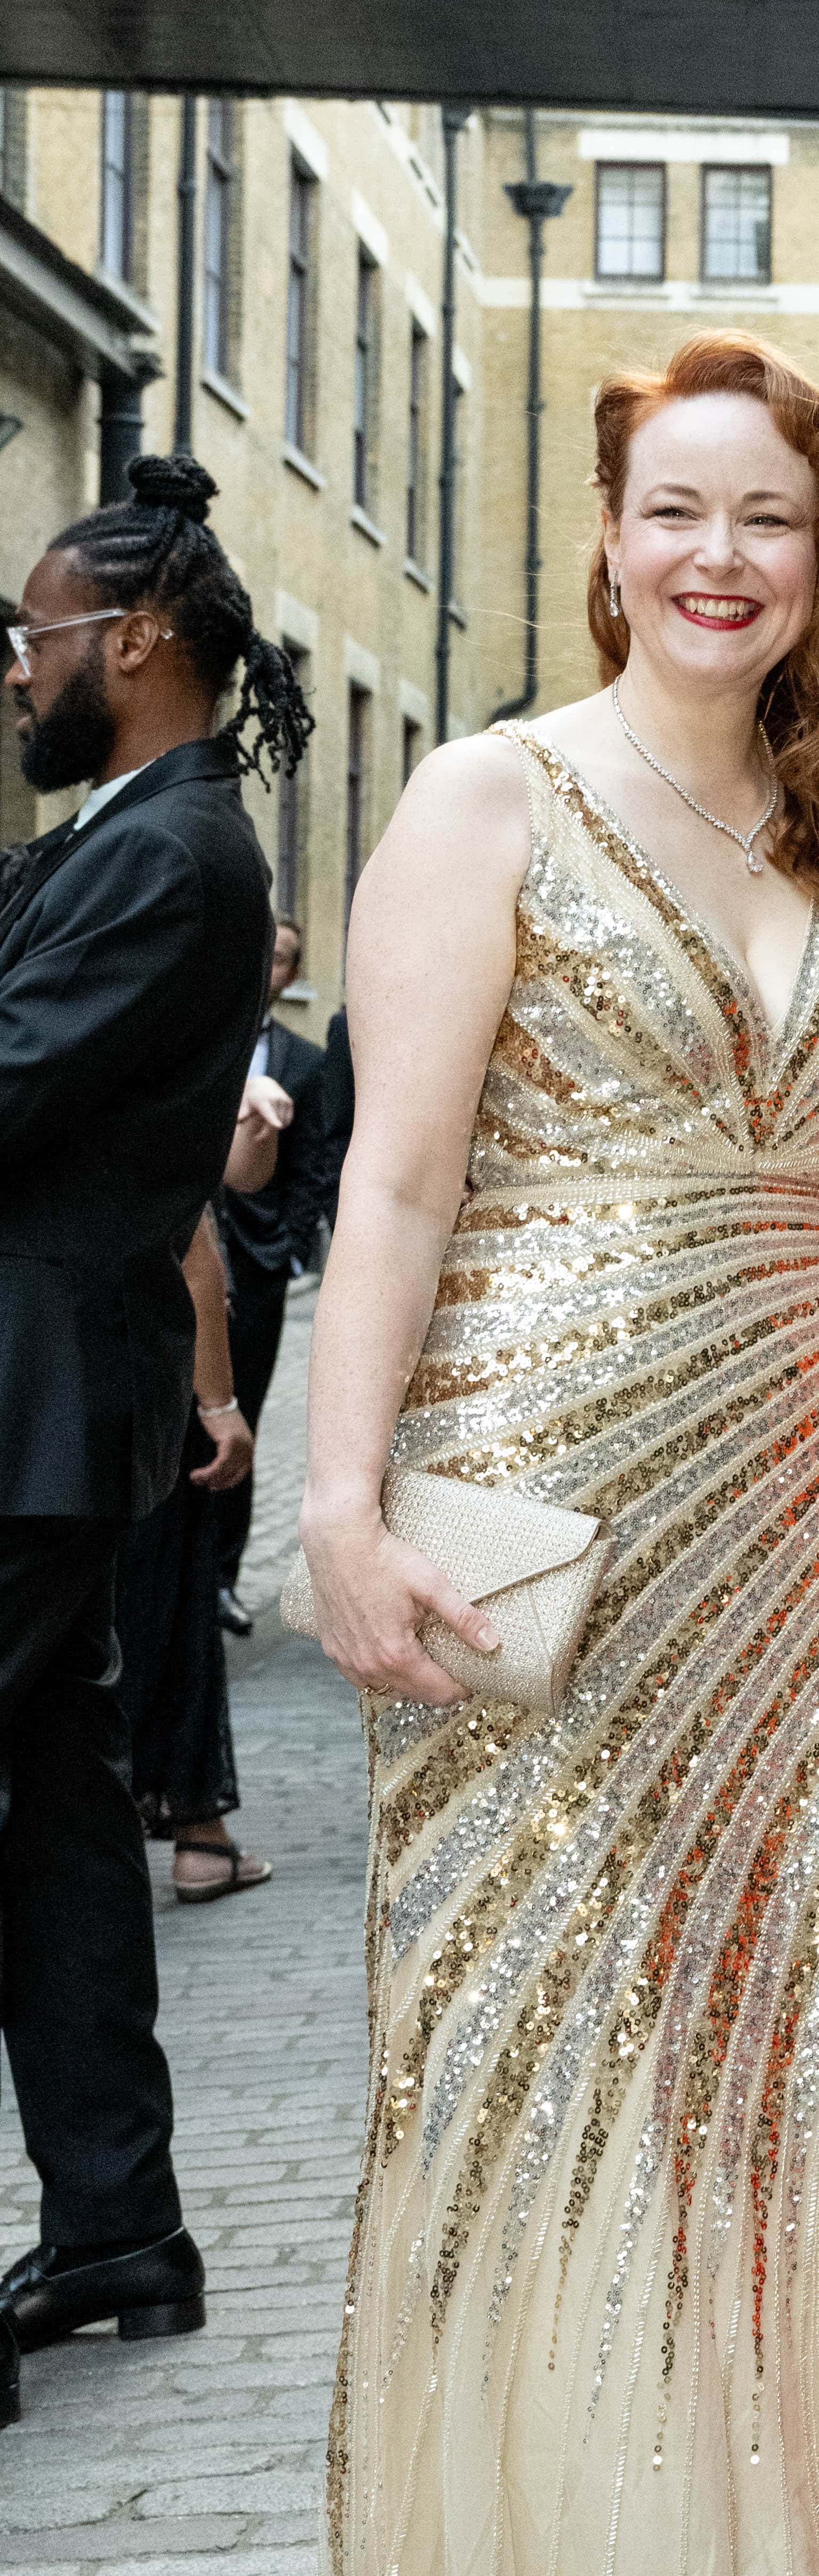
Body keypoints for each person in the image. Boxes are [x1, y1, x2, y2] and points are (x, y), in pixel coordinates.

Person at [252, 332, 819, 2576]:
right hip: (533, 1488)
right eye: (676, 508)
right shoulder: (489, 794)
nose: (716, 557)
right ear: (611, 536)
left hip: (794, 1485)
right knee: (530, 2045)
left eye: (766, 516)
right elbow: (398, 1176)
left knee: (759, 2049)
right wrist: (342, 1501)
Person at [0, 451, 295, 2432]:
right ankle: (118, 2224)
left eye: (36, 636)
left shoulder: (175, 854)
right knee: (56, 1820)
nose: (19, 670)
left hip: (30, 1399)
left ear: (144, 636)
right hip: (49, 1399)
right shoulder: (121, 839)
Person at [116, 1083, 292, 1903]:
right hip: (147, 1396)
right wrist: (220, 1406)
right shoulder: (130, 1056)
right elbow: (193, 1257)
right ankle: (197, 1833)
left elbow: (245, 1172)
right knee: (171, 1608)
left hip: (50, 1393)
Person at [213, 913, 328, 1631]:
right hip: (185, 1257)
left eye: (282, 958)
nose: (268, 966)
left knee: (244, 1418)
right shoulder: (197, 1035)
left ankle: (224, 1576)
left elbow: (313, 1164)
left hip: (257, 1269)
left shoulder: (304, 1061)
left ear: (292, 974)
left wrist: (286, 1248)